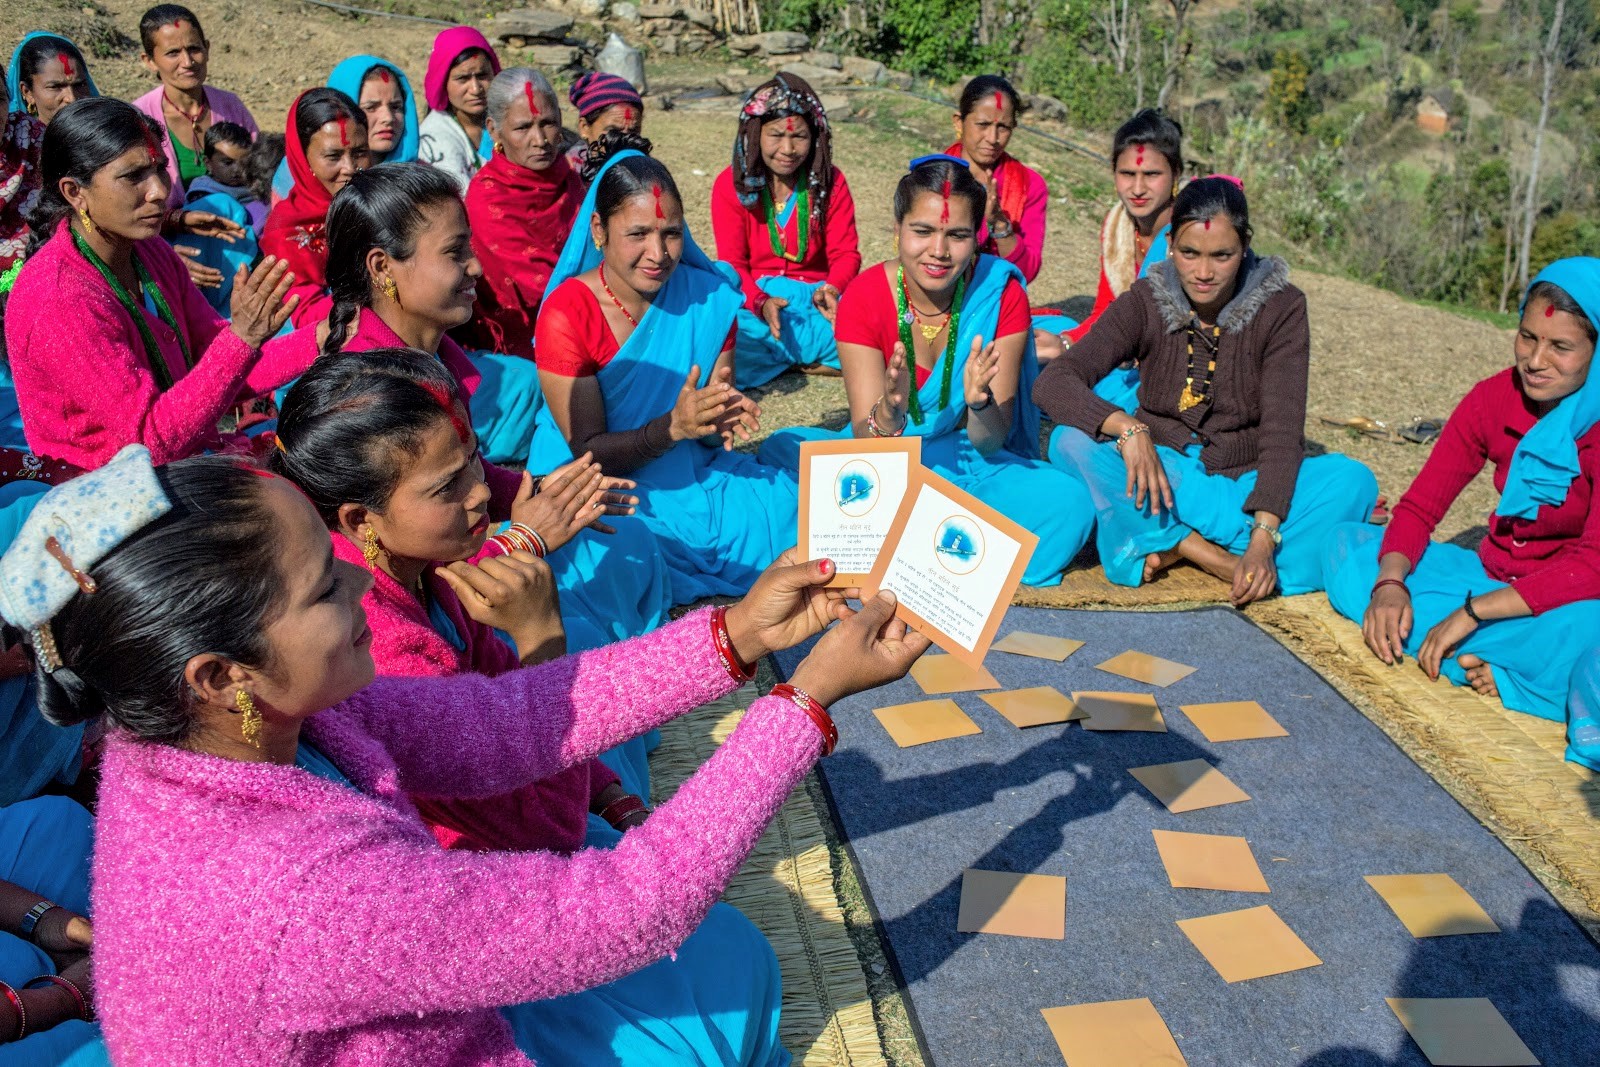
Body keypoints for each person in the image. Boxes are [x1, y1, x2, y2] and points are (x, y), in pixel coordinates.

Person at [1, 441, 928, 1065]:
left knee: (728, 958)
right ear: (220, 674)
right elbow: (625, 908)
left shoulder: (197, 725)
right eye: (326, 589)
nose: (360, 595)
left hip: (424, 990)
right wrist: (802, 704)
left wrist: (733, 636)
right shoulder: (295, 893)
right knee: (725, 978)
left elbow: (497, 722)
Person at [270, 351, 793, 1066]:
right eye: (448, 485)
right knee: (714, 1018)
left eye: (476, 460)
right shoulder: (375, 650)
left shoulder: (428, 564)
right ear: (361, 520)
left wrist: (608, 793)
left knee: (736, 956)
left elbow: (510, 719)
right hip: (483, 904)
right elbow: (543, 827)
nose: (483, 492)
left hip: (536, 813)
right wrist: (543, 637)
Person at [299, 162, 673, 705]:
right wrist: (526, 537)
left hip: (465, 556)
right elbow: (402, 569)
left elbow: (463, 481)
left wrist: (547, 491)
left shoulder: (424, 359)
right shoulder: (369, 396)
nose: (476, 265)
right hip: (424, 613)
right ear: (383, 267)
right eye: (454, 253)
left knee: (626, 545)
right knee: (581, 637)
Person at [1034, 176, 1378, 603]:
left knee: (1354, 482)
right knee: (1070, 442)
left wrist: (1263, 537)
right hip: (1166, 470)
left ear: (1246, 246)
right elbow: (1057, 380)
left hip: (1243, 481)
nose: (1203, 272)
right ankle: (1204, 553)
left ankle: (1170, 538)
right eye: (1189, 253)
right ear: (1170, 245)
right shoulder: (1148, 299)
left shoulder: (1282, 308)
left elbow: (1282, 432)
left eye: (1222, 256)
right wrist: (1128, 429)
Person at [759, 156, 1093, 587]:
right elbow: (867, 439)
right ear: (897, 228)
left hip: (970, 463)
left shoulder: (1001, 293)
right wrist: (889, 414)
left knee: (1070, 504)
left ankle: (907, 550)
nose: (938, 250)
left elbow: (991, 441)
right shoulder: (863, 297)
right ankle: (953, 555)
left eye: (957, 235)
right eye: (923, 231)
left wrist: (979, 403)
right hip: (889, 463)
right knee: (785, 449)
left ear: (976, 239)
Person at [1321, 258, 1600, 724]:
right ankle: (1504, 664)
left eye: (1561, 347)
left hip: (1563, 602)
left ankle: (1494, 660)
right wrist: (1389, 587)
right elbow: (1419, 508)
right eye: (1528, 337)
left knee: (1589, 635)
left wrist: (1472, 614)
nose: (1535, 360)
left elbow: (1592, 566)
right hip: (1487, 577)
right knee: (1350, 547)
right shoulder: (1493, 398)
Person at [534, 136, 800, 603]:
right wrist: (672, 427)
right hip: (597, 485)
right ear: (598, 230)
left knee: (793, 510)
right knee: (609, 555)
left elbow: (709, 433)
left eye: (671, 233)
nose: (658, 253)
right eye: (638, 234)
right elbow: (587, 451)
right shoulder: (568, 312)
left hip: (688, 475)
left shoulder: (708, 299)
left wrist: (716, 418)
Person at [4, 98, 301, 470]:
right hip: (105, 494)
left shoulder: (149, 252)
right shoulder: (58, 298)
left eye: (160, 169)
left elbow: (219, 364)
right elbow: (146, 442)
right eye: (133, 176)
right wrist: (242, 340)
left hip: (179, 462)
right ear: (74, 192)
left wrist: (327, 336)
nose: (159, 191)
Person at [712, 73, 861, 388]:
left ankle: (787, 358)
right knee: (715, 328)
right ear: (754, 134)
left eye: (800, 137)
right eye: (776, 135)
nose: (788, 149)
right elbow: (734, 264)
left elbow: (845, 253)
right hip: (756, 304)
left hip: (819, 302)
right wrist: (761, 302)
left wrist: (832, 289)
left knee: (882, 327)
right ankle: (808, 358)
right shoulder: (730, 186)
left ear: (816, 137)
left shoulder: (830, 183)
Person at [1034, 109, 1183, 413]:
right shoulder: (1118, 225)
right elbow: (1106, 310)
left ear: (1176, 174)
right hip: (1120, 347)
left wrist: (1067, 348)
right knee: (1035, 330)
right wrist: (1066, 340)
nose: (1138, 189)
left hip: (1166, 366)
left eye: (1152, 175)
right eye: (1127, 174)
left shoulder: (1189, 232)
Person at [462, 68, 585, 360]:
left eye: (548, 123)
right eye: (523, 127)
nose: (540, 139)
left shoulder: (571, 182)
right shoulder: (487, 198)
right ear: (494, 130)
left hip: (584, 317)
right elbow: (539, 287)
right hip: (519, 349)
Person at [259, 88, 369, 329]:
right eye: (333, 156)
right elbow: (305, 315)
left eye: (359, 153)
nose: (350, 167)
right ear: (302, 157)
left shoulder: (379, 204)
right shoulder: (286, 230)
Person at [130, 5, 258, 210]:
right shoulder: (138, 118)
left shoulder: (230, 106)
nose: (187, 62)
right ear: (150, 61)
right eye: (173, 53)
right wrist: (176, 221)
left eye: (194, 49)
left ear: (207, 49)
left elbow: (260, 170)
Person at [270, 54, 420, 200]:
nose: (387, 118)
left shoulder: (421, 180)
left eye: (396, 107)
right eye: (371, 107)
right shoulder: (295, 177)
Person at [943, 75, 1046, 283]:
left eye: (1003, 127)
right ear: (959, 122)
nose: (992, 138)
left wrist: (1000, 224)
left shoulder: (1031, 186)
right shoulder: (932, 176)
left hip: (998, 299)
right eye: (982, 124)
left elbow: (1027, 272)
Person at [180, 121, 260, 314]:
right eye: (227, 162)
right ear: (208, 163)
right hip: (218, 270)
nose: (236, 170)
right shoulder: (204, 196)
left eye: (243, 163)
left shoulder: (253, 189)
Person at [417, 27, 500, 192]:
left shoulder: (505, 121)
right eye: (463, 78)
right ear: (443, 83)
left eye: (482, 76)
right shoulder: (435, 138)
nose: (476, 89)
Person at [6, 33, 97, 128]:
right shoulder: (12, 140)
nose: (72, 98)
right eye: (55, 87)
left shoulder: (107, 138)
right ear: (27, 92)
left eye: (80, 85)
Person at [564, 70, 643, 175]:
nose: (625, 141)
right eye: (613, 131)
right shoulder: (568, 173)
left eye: (633, 131)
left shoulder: (644, 169)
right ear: (584, 128)